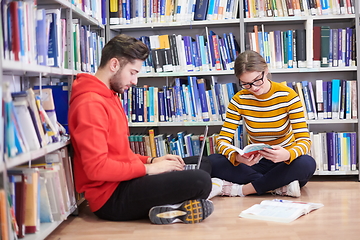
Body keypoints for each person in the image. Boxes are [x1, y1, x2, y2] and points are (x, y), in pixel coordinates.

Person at [68, 34, 213, 224]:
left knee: (203, 163)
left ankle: (168, 208)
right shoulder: (90, 104)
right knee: (200, 180)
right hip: (111, 199)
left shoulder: (109, 96)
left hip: (125, 181)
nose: (135, 81)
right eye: (133, 72)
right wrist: (149, 169)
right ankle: (173, 209)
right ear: (114, 65)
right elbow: (97, 169)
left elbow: (119, 155)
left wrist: (153, 159)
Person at [208, 50, 316, 199]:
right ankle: (279, 187)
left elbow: (304, 141)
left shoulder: (288, 96)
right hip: (255, 163)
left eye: (257, 80)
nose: (253, 88)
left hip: (283, 163)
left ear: (266, 71)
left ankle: (241, 190)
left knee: (306, 164)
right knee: (212, 162)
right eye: (245, 84)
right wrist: (237, 157)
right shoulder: (239, 100)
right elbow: (222, 140)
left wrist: (287, 154)